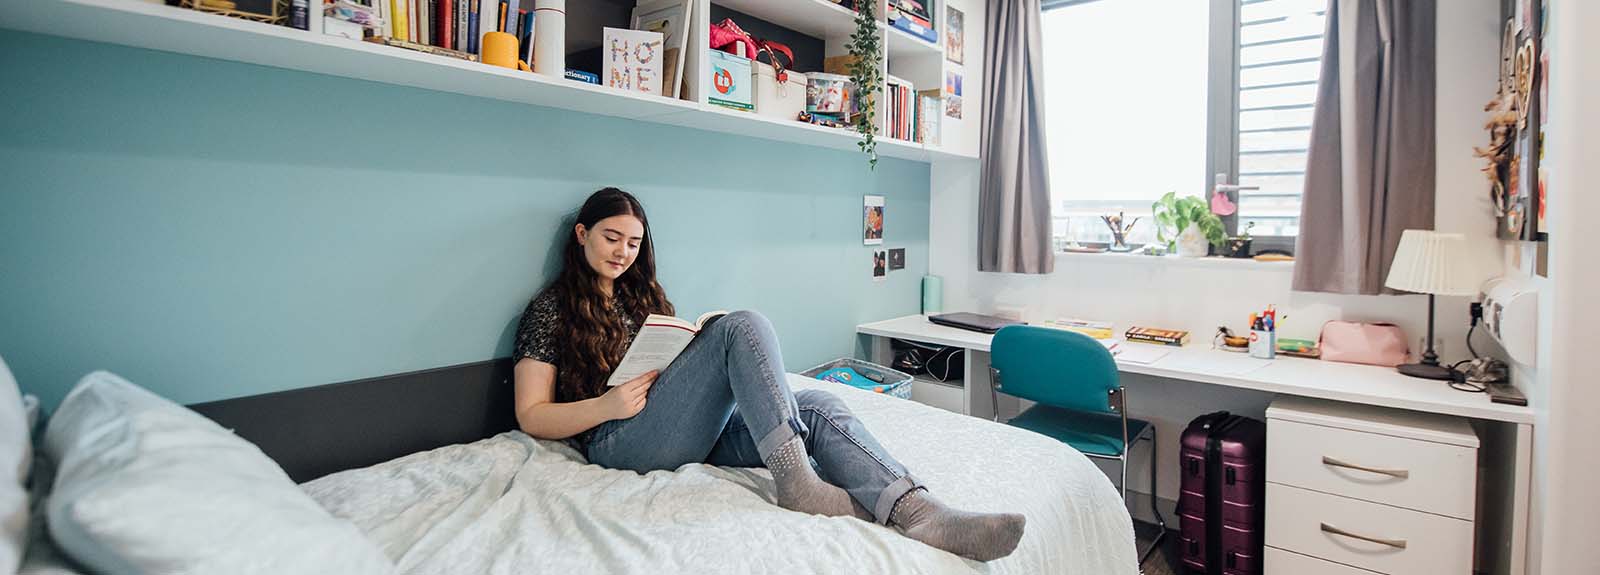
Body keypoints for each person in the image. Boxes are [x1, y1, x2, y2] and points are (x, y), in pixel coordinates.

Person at [510, 188, 1026, 561]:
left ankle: (920, 511)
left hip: (673, 427)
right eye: (611, 238)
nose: (622, 252)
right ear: (582, 234)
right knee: (743, 325)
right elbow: (531, 415)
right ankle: (798, 484)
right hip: (615, 440)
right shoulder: (550, 309)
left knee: (817, 407)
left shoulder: (639, 296)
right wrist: (606, 406)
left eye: (633, 243)